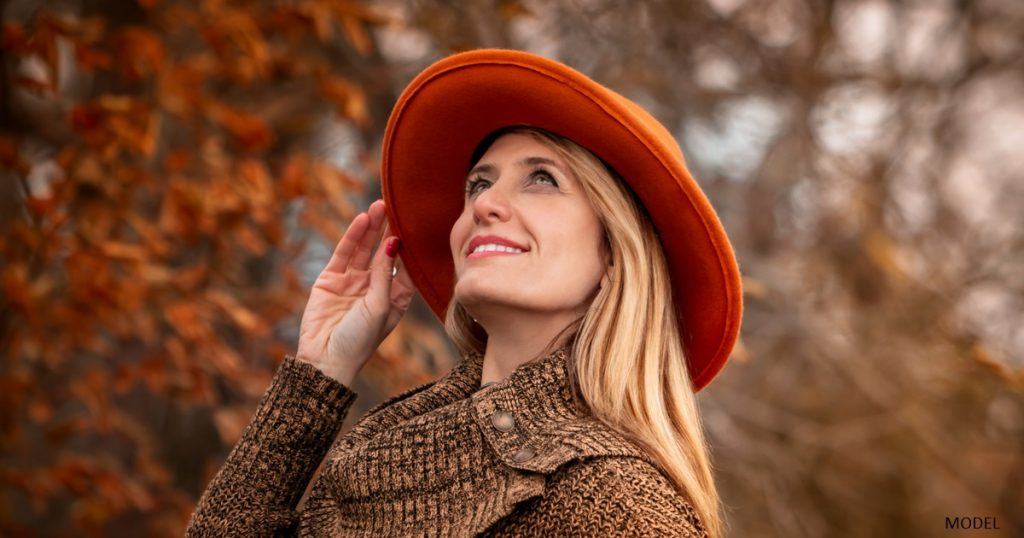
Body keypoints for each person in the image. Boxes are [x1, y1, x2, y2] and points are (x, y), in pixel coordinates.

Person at [186, 49, 742, 537]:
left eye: (541, 178)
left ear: (615, 255)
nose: (483, 204)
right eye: (479, 183)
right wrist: (319, 374)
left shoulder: (617, 506)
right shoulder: (388, 450)